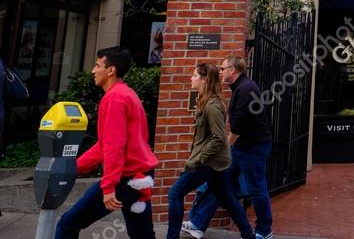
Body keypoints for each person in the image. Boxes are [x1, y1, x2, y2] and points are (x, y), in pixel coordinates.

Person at [56, 47, 158, 239]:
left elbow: (114, 147)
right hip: (140, 175)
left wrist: (109, 187)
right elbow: (105, 145)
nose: (93, 71)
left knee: (67, 225)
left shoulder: (114, 98)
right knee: (142, 235)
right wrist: (74, 167)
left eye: (97, 65)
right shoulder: (127, 94)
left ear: (110, 70)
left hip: (126, 179)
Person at [185, 56, 273, 239]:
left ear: (233, 70)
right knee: (218, 182)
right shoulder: (241, 88)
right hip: (242, 147)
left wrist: (223, 148)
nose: (221, 71)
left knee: (257, 189)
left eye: (223, 68)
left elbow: (238, 126)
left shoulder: (246, 89)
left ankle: (264, 231)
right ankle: (197, 224)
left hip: (253, 148)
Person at [167, 64, 255, 239]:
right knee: (227, 199)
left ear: (204, 79)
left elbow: (218, 138)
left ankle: (171, 237)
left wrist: (199, 160)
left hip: (208, 163)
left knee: (175, 194)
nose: (190, 78)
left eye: (194, 76)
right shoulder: (206, 101)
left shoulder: (212, 105)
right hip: (217, 163)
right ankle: (248, 235)